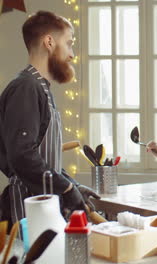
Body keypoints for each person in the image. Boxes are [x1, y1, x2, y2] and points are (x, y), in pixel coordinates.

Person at [0, 11, 100, 225]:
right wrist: (66, 187)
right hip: (29, 212)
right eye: (69, 43)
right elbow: (22, 156)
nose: (72, 54)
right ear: (49, 42)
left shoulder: (41, 89)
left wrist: (71, 183)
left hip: (44, 208)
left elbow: (42, 158)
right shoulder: (26, 88)